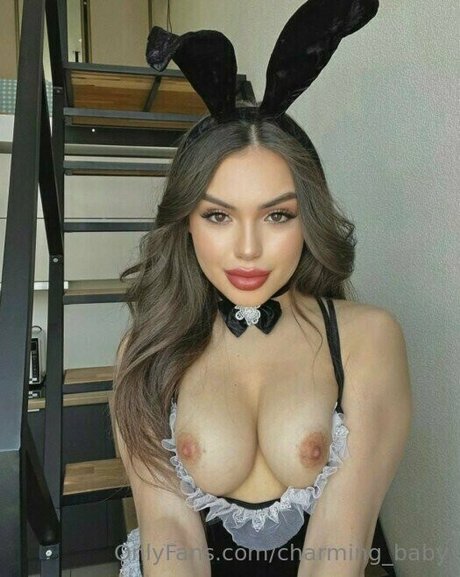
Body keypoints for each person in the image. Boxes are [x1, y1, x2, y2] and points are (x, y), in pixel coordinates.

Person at [113, 1, 412, 576]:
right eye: (218, 216)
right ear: (186, 222)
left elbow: (342, 538)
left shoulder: (366, 339)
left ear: (309, 219)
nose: (247, 249)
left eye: (277, 216)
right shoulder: (147, 349)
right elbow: (168, 532)